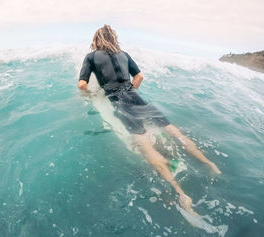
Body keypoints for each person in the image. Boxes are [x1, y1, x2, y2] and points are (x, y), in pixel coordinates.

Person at [77, 25, 221, 214]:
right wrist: (131, 90)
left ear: (96, 39)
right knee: (175, 132)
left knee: (146, 147)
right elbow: (139, 76)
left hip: (121, 103)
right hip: (137, 99)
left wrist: (92, 95)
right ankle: (210, 164)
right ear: (113, 38)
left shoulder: (91, 57)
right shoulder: (124, 54)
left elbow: (81, 84)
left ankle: (181, 193)